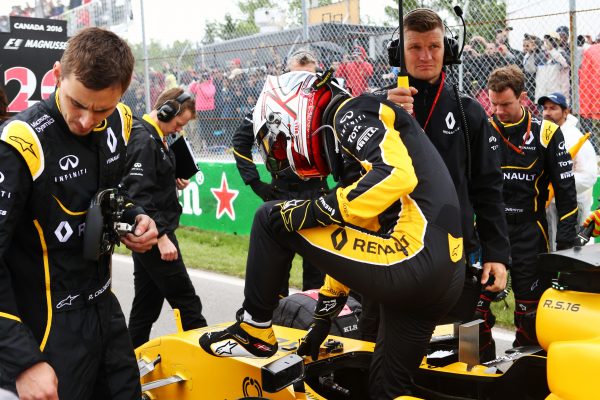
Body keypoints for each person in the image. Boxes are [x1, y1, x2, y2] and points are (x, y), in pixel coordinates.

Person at [200, 70, 465, 398]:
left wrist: (321, 209)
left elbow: (397, 176)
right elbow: (361, 228)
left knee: (271, 218)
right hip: (443, 272)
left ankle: (254, 329)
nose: (281, 155)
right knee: (387, 391)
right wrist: (324, 317)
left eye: (280, 144)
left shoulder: (348, 112)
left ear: (293, 115)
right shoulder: (364, 125)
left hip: (414, 257)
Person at [0, 27, 158, 399]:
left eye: (100, 108)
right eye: (77, 104)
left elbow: (107, 196)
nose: (87, 120)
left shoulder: (120, 120)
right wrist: (22, 361)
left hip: (105, 313)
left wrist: (134, 219)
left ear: (125, 87)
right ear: (57, 75)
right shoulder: (20, 143)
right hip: (47, 333)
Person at [377, 8, 510, 360]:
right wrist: (382, 119)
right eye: (415, 47)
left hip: (453, 254)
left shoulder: (469, 111)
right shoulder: (375, 108)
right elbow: (347, 174)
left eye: (434, 46)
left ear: (447, 50)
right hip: (386, 249)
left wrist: (497, 253)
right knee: (381, 348)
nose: (425, 56)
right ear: (398, 53)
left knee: (465, 352)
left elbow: (488, 187)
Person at [487, 65, 577, 347]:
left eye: (506, 104)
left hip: (530, 231)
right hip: (491, 231)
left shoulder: (547, 132)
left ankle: (528, 372)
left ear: (523, 97)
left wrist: (565, 242)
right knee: (475, 308)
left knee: (531, 310)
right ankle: (477, 368)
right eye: (493, 104)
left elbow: (566, 191)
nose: (499, 111)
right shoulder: (483, 129)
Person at [232, 48, 327, 296]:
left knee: (319, 272)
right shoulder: (266, 105)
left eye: (309, 77)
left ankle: (315, 325)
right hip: (281, 193)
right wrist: (256, 183)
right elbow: (239, 142)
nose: (303, 83)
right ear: (285, 75)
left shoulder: (326, 104)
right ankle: (276, 323)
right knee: (276, 270)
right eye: (296, 76)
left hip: (317, 194)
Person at [121, 87, 208, 348]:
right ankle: (209, 360)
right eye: (178, 123)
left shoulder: (155, 136)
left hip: (152, 233)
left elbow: (148, 180)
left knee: (146, 306)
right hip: (154, 235)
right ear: (166, 111)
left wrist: (171, 179)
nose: (179, 130)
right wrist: (160, 236)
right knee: (187, 302)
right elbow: (137, 194)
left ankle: (127, 362)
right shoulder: (143, 139)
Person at [538, 92, 598, 250]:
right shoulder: (542, 135)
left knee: (574, 253)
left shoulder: (576, 138)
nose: (547, 112)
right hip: (548, 204)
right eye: (545, 108)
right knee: (550, 250)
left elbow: (589, 176)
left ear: (566, 112)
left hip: (574, 205)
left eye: (553, 108)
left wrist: (558, 182)